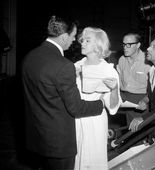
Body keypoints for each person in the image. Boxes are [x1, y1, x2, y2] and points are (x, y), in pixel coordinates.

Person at [21, 15, 105, 170]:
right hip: (58, 144)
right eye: (73, 36)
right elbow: (76, 108)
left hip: (35, 140)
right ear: (65, 37)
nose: (74, 41)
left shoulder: (29, 57)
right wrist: (101, 104)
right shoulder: (63, 65)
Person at [74, 27, 122, 170]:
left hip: (95, 120)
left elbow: (113, 108)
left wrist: (114, 90)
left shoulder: (108, 70)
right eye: (83, 40)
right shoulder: (75, 66)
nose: (82, 43)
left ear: (98, 45)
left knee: (93, 160)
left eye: (87, 40)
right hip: (75, 120)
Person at [116, 32, 151, 125]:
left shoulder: (148, 61)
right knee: (130, 131)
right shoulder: (122, 59)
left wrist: (146, 101)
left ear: (138, 45)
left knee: (143, 131)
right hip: (126, 100)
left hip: (142, 100)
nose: (125, 47)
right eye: (124, 44)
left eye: (129, 45)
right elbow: (119, 81)